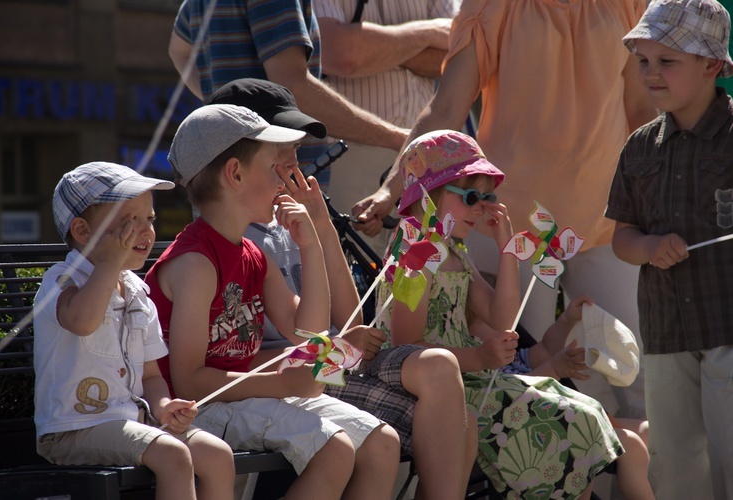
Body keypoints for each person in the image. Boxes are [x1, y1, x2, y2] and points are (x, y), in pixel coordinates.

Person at [352, 0, 659, 421]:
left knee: (641, 372)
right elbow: (445, 110)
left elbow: (641, 111)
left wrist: (655, 196)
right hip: (511, 226)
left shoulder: (628, 3)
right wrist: (392, 190)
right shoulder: (492, 6)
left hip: (608, 219)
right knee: (525, 381)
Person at [206, 78, 477, 499]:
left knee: (462, 417)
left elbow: (350, 318)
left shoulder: (288, 220)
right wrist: (333, 346)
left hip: (325, 369)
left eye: (298, 148)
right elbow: (251, 350)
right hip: (297, 377)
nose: (296, 161)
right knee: (437, 392)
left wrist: (323, 226)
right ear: (239, 160)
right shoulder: (237, 237)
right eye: (284, 147)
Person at [143, 104, 401, 499]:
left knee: (382, 443)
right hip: (199, 410)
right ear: (235, 174)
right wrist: (282, 383)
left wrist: (310, 243)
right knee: (334, 449)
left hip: (242, 395)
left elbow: (307, 332)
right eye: (273, 168)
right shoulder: (196, 263)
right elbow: (190, 382)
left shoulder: (251, 252)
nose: (284, 179)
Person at [375, 129, 623, 499]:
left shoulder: (455, 252)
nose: (481, 207)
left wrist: (507, 249)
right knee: (571, 418)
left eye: (487, 197)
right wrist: (477, 357)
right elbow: (406, 346)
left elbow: (501, 317)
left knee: (584, 408)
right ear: (429, 195)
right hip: (434, 387)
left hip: (473, 378)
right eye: (471, 196)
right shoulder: (415, 252)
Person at [33, 162, 236, 500]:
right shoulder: (63, 280)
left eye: (149, 219)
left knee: (217, 455)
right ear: (83, 232)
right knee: (173, 454)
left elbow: (152, 376)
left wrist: (163, 406)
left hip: (133, 423)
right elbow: (82, 321)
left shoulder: (137, 292)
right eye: (130, 221)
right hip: (73, 430)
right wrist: (109, 263)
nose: (145, 231)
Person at [606, 1, 733, 497]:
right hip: (665, 334)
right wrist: (649, 245)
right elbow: (622, 238)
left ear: (712, 66)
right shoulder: (638, 147)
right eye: (643, 61)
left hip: (728, 330)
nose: (651, 74)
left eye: (668, 61)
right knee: (676, 469)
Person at [167, 0, 408, 179]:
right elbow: (295, 88)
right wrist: (398, 138)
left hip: (229, 194)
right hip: (276, 199)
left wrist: (223, 108)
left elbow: (178, 51)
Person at [471, 296, 654, 500]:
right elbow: (513, 397)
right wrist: (554, 368)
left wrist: (567, 319)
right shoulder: (481, 374)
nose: (507, 329)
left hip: (570, 420)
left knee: (650, 433)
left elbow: (547, 348)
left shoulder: (515, 357)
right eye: (491, 323)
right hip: (540, 433)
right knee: (633, 446)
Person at [313, 0, 458, 253]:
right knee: (355, 280)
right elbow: (341, 53)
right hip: (353, 155)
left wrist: (375, 49)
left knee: (419, 282)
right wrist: (430, 32)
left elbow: (457, 56)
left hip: (424, 161)